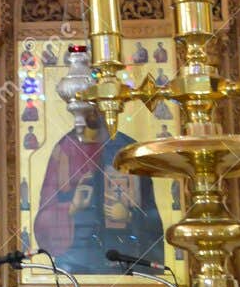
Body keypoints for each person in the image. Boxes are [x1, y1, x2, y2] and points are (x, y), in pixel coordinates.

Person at [33, 103, 164, 275]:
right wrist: (72, 208)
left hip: (122, 259)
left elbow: (152, 219)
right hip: (76, 261)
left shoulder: (129, 151)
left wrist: (130, 216)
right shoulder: (65, 150)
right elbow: (45, 217)